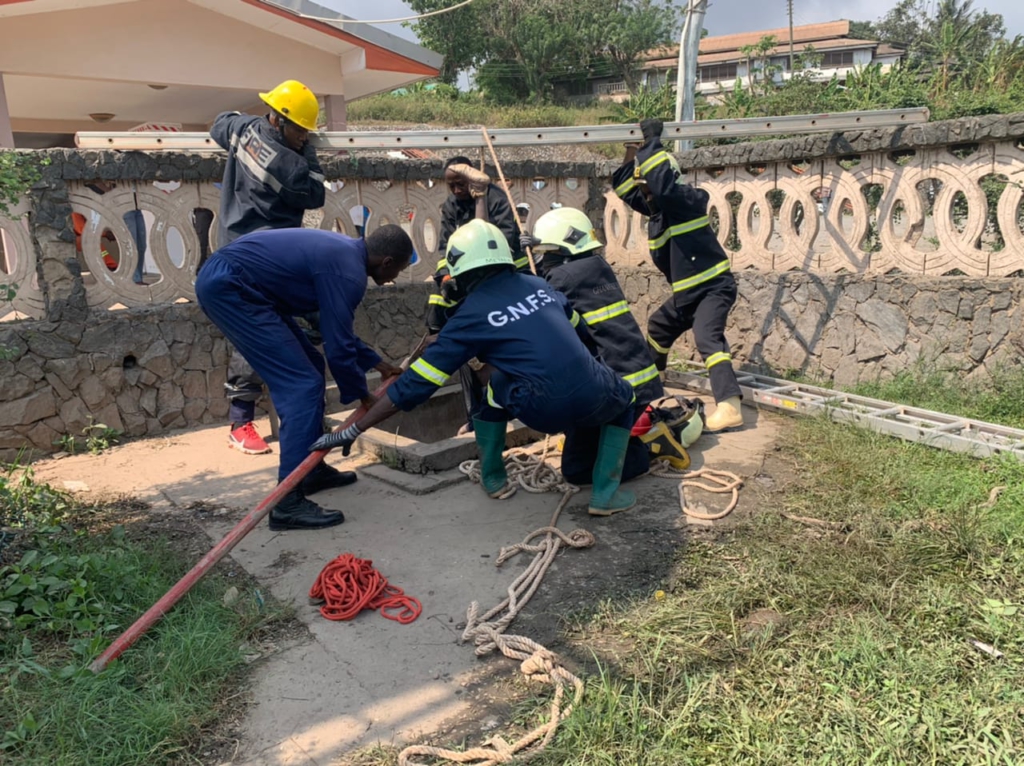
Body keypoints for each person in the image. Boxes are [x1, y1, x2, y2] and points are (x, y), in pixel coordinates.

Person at [311, 219, 639, 517]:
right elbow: (579, 334)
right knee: (625, 397)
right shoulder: (540, 286)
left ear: (459, 273)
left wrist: (355, 428)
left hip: (543, 412)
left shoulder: (468, 317)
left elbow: (415, 385)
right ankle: (605, 495)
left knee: (496, 389)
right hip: (596, 393)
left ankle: (494, 478)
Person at [195, 225, 413, 531]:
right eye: (399, 270)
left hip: (239, 281)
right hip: (231, 286)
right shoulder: (348, 274)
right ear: (387, 261)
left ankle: (309, 472)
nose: (395, 278)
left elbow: (333, 328)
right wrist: (363, 395)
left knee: (310, 363)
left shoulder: (346, 257)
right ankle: (287, 503)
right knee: (302, 386)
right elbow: (338, 346)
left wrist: (378, 364)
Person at [209, 79, 328, 456]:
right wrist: (309, 155)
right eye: (300, 130)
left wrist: (247, 121)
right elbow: (316, 192)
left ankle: (300, 416)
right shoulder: (289, 164)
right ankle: (242, 420)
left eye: (308, 133)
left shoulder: (244, 129)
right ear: (279, 121)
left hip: (239, 251)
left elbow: (219, 123)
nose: (304, 139)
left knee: (295, 332)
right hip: (265, 260)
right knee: (264, 333)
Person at [611, 118, 744, 432]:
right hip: (688, 295)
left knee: (707, 338)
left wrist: (652, 139)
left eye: (647, 187)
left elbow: (661, 183)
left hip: (713, 288)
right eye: (643, 189)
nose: (644, 193)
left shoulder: (684, 200)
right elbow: (623, 186)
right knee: (658, 327)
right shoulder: (657, 210)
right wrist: (632, 150)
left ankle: (729, 406)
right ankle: (651, 388)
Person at [522, 206, 669, 484]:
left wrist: (520, 260)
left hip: (616, 390)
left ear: (562, 249)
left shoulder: (563, 277)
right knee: (585, 453)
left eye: (546, 251)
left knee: (577, 472)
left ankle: (650, 451)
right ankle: (625, 444)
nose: (543, 258)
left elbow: (536, 293)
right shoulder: (597, 266)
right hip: (638, 381)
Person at [425, 157, 531, 436]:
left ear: (473, 179)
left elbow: (502, 241)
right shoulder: (450, 206)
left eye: (461, 184)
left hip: (501, 284)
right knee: (456, 337)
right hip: (466, 285)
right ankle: (475, 415)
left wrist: (480, 201)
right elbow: (445, 247)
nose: (457, 190)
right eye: (451, 185)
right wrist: (445, 276)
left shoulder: (494, 199)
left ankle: (512, 407)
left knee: (506, 349)